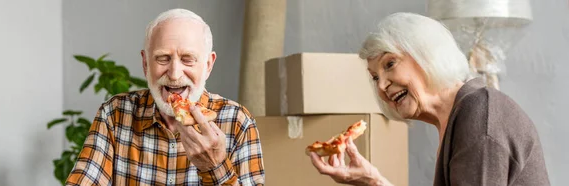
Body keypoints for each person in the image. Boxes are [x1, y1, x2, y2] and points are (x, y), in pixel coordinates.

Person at [309, 12, 550, 186]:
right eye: (374, 77)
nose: (381, 85)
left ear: (426, 54)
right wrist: (374, 181)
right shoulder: (462, 115)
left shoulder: (478, 118)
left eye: (390, 64)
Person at [65, 8, 265, 186]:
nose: (175, 74)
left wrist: (216, 167)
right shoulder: (115, 114)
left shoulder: (238, 122)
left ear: (208, 65)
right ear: (145, 64)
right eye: (162, 58)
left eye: (188, 59)